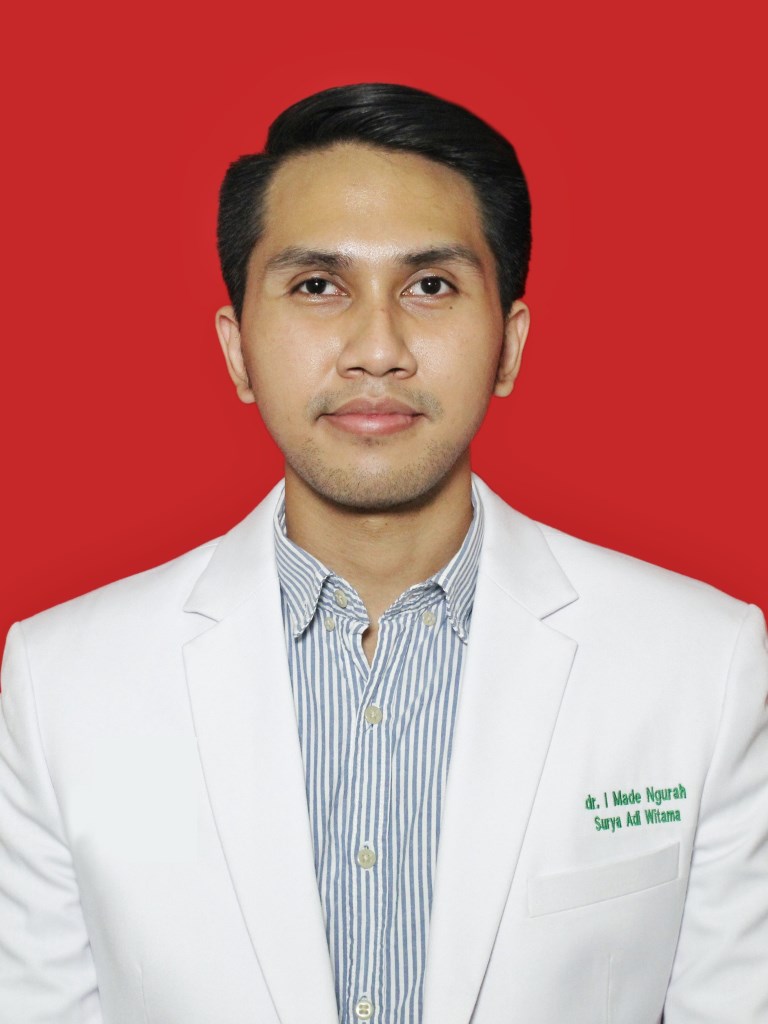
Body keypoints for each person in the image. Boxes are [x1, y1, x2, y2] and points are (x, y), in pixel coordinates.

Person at [0, 83, 766, 1024]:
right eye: (317, 287)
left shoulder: (703, 664)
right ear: (237, 351)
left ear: (509, 344)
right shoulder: (61, 683)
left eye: (430, 286)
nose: (376, 349)